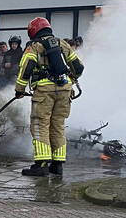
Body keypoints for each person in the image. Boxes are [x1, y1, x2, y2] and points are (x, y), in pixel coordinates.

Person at [15, 17, 84, 177]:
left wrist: (19, 89)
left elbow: (26, 68)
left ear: (33, 31)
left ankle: (42, 164)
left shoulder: (34, 46)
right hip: (65, 90)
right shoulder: (62, 44)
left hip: (44, 91)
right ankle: (57, 165)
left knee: (40, 125)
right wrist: (71, 81)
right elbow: (79, 67)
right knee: (58, 125)